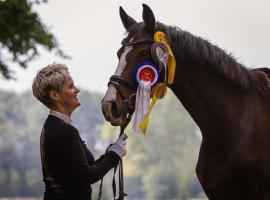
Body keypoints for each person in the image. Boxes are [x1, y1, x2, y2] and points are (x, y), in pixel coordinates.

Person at [32, 63, 127, 200]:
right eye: (70, 87)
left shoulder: (54, 126)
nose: (77, 90)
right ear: (55, 95)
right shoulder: (63, 131)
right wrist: (114, 155)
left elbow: (84, 168)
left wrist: (112, 151)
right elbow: (86, 176)